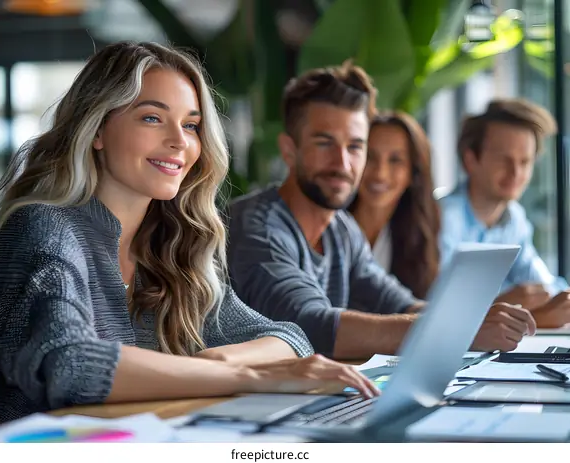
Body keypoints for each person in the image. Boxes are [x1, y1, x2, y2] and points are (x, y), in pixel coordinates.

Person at [0, 42, 378, 424]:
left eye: (191, 125)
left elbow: (287, 338)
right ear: (97, 129)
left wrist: (220, 364)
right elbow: (72, 365)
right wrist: (248, 376)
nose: (178, 142)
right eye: (152, 118)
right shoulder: (44, 226)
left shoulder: (170, 242)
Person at [227, 61, 536, 359]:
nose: (343, 163)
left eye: (355, 146)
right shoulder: (258, 229)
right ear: (289, 150)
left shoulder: (342, 230)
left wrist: (482, 319)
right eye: (324, 143)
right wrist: (460, 330)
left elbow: (401, 304)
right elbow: (310, 327)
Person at [439, 98, 570, 328]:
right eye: (504, 160)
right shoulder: (442, 219)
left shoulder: (514, 218)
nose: (516, 173)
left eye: (525, 161)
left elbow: (543, 285)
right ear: (470, 159)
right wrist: (513, 305)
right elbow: (438, 312)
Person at [348, 111, 440, 299]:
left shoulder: (421, 236)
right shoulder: (327, 228)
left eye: (395, 160)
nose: (380, 173)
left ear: (413, 173)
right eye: (370, 157)